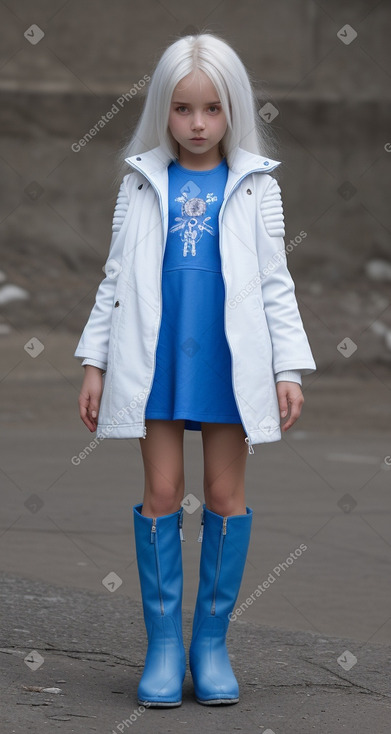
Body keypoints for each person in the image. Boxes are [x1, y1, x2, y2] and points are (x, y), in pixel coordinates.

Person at [74, 31, 316, 708]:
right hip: (153, 362)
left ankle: (209, 644)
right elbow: (115, 278)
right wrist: (94, 360)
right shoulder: (141, 180)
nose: (199, 124)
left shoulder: (255, 187)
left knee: (222, 496)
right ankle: (162, 648)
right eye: (183, 109)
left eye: (212, 108)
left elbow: (275, 283)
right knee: (160, 495)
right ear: (163, 109)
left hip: (227, 364)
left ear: (232, 108)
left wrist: (289, 366)